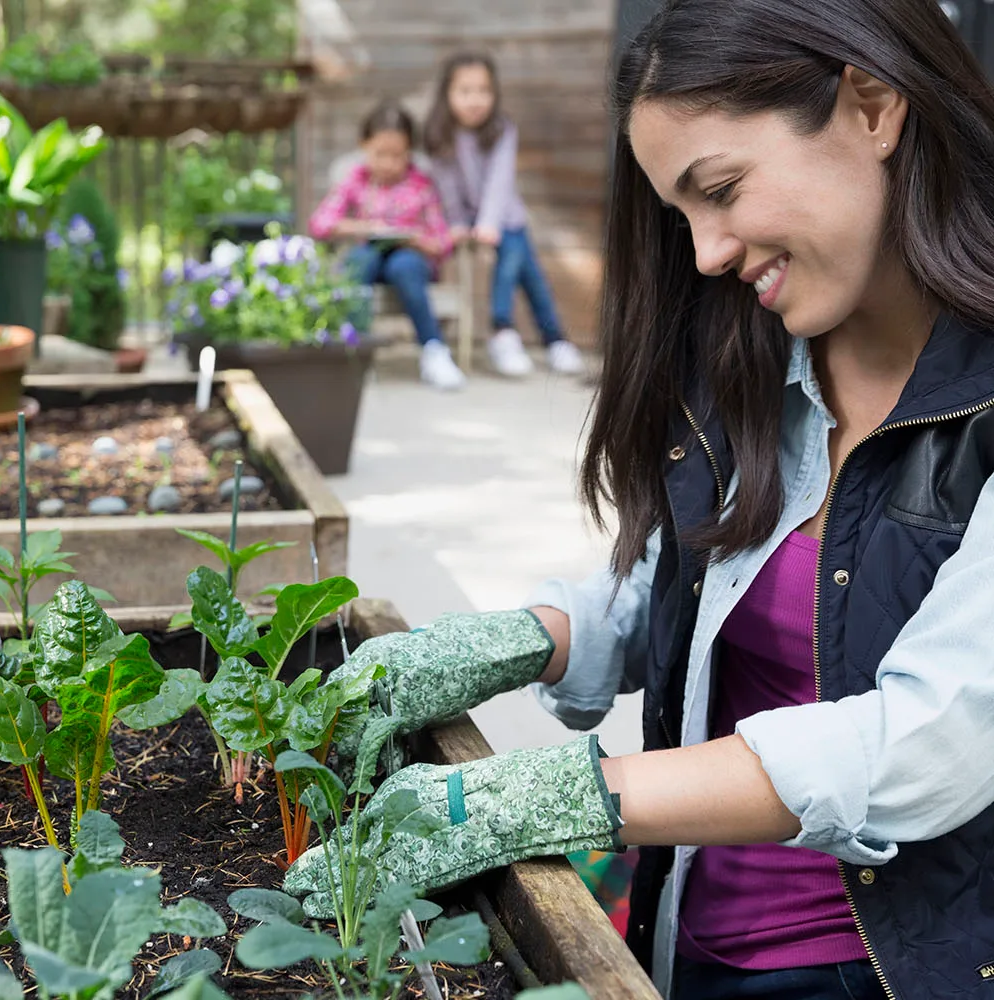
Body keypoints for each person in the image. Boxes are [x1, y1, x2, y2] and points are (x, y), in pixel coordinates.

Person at [287, 1, 994, 997]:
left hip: (884, 968)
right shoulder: (763, 359)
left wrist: (553, 795)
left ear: (872, 105)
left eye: (722, 189)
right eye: (680, 214)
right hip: (679, 937)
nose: (705, 252)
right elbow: (685, 590)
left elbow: (934, 739)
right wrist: (520, 639)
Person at [424, 51, 584, 378]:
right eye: (465, 91)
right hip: (466, 220)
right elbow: (446, 186)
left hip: (504, 217)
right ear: (448, 94)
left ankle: (513, 332)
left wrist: (488, 223)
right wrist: (457, 223)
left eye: (484, 91)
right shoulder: (438, 135)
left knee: (524, 269)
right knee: (524, 267)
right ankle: (541, 338)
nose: (475, 100)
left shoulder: (501, 129)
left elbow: (500, 181)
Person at [308, 100, 463, 390]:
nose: (389, 164)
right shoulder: (356, 179)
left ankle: (434, 351)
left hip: (412, 260)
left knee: (403, 265)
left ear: (410, 153)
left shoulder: (420, 184)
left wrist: (414, 238)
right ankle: (353, 348)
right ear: (363, 146)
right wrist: (366, 227)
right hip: (371, 256)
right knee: (360, 260)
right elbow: (320, 223)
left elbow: (442, 242)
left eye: (398, 155)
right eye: (380, 154)